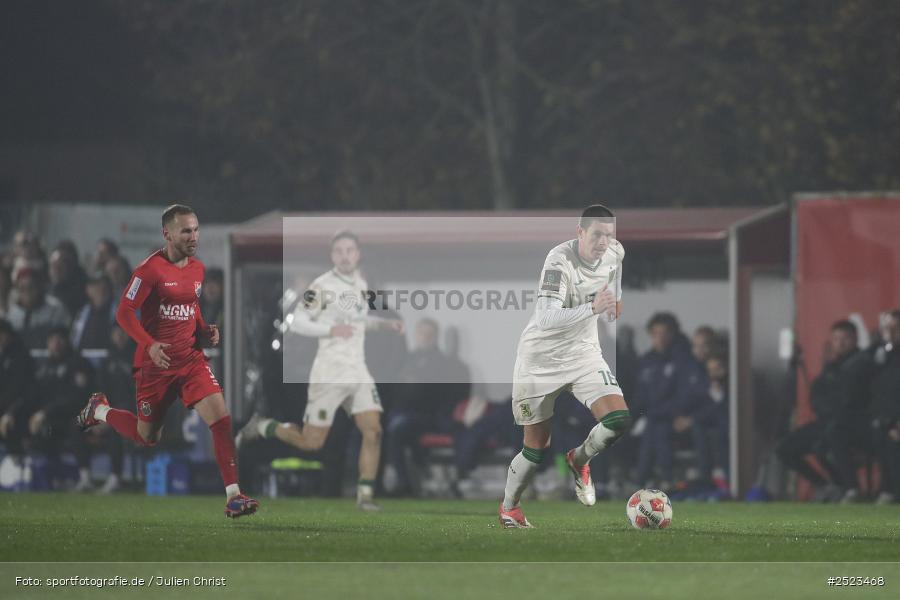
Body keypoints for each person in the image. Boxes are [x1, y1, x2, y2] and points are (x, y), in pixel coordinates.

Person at [76, 204, 259, 517]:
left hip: (190, 360)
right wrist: (149, 345)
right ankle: (100, 410)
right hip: (155, 367)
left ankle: (234, 496)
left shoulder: (198, 269)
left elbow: (191, 307)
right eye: (186, 230)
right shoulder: (149, 270)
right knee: (148, 437)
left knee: (221, 419)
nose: (193, 236)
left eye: (196, 229)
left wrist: (204, 332)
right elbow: (123, 313)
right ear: (167, 234)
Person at [238, 230, 404, 511]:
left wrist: (384, 324)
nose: (345, 256)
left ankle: (365, 496)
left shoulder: (360, 285)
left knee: (373, 431)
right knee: (312, 442)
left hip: (357, 371)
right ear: (332, 256)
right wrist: (330, 329)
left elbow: (360, 319)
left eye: (350, 250)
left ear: (357, 255)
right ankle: (263, 426)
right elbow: (299, 322)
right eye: (339, 251)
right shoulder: (321, 286)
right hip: (329, 373)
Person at [499, 204, 630, 528]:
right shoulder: (559, 261)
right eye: (597, 234)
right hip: (539, 361)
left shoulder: (615, 253)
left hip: (583, 354)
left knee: (618, 420)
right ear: (580, 233)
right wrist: (592, 307)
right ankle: (509, 509)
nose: (603, 241)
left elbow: (613, 290)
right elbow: (545, 319)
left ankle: (579, 459)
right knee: (536, 449)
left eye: (608, 234)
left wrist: (614, 303)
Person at [775, 320, 869, 501]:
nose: (840, 343)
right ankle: (825, 486)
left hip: (849, 424)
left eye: (845, 338)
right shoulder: (830, 367)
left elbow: (853, 400)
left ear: (855, 339)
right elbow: (817, 396)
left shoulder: (863, 364)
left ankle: (851, 488)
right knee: (784, 449)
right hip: (824, 422)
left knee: (826, 445)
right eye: (836, 339)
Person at [385, 318, 470, 496]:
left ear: (436, 337)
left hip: (429, 417)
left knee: (397, 429)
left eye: (429, 334)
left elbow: (442, 398)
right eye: (422, 334)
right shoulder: (406, 361)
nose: (425, 338)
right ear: (416, 335)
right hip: (403, 414)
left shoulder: (446, 365)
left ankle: (405, 483)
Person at [633, 312, 705, 489]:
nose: (660, 338)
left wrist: (671, 412)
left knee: (657, 430)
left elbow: (686, 395)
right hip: (651, 417)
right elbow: (639, 396)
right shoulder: (646, 361)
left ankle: (652, 479)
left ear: (673, 334)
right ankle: (648, 479)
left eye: (665, 333)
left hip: (673, 418)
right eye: (656, 333)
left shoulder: (684, 360)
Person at [29, 327, 95, 491]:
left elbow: (77, 397)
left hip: (79, 414)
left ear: (66, 341)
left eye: (59, 339)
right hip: (53, 419)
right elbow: (36, 394)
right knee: (45, 431)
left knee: (75, 427)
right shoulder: (44, 367)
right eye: (52, 340)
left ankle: (85, 478)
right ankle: (54, 476)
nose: (56, 344)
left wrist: (45, 412)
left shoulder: (78, 363)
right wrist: (35, 415)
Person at [870, 310, 900, 504]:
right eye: (888, 328)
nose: (891, 332)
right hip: (889, 420)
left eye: (895, 328)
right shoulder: (883, 355)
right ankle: (888, 490)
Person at [5, 268, 71, 349]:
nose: (27, 292)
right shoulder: (13, 312)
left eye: (31, 286)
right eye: (22, 288)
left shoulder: (55, 308)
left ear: (39, 286)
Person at [0, 319, 36, 459]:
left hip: (18, 408)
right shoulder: (3, 355)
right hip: (4, 406)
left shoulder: (21, 355)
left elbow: (20, 390)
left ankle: (16, 465)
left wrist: (9, 412)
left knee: (11, 425)